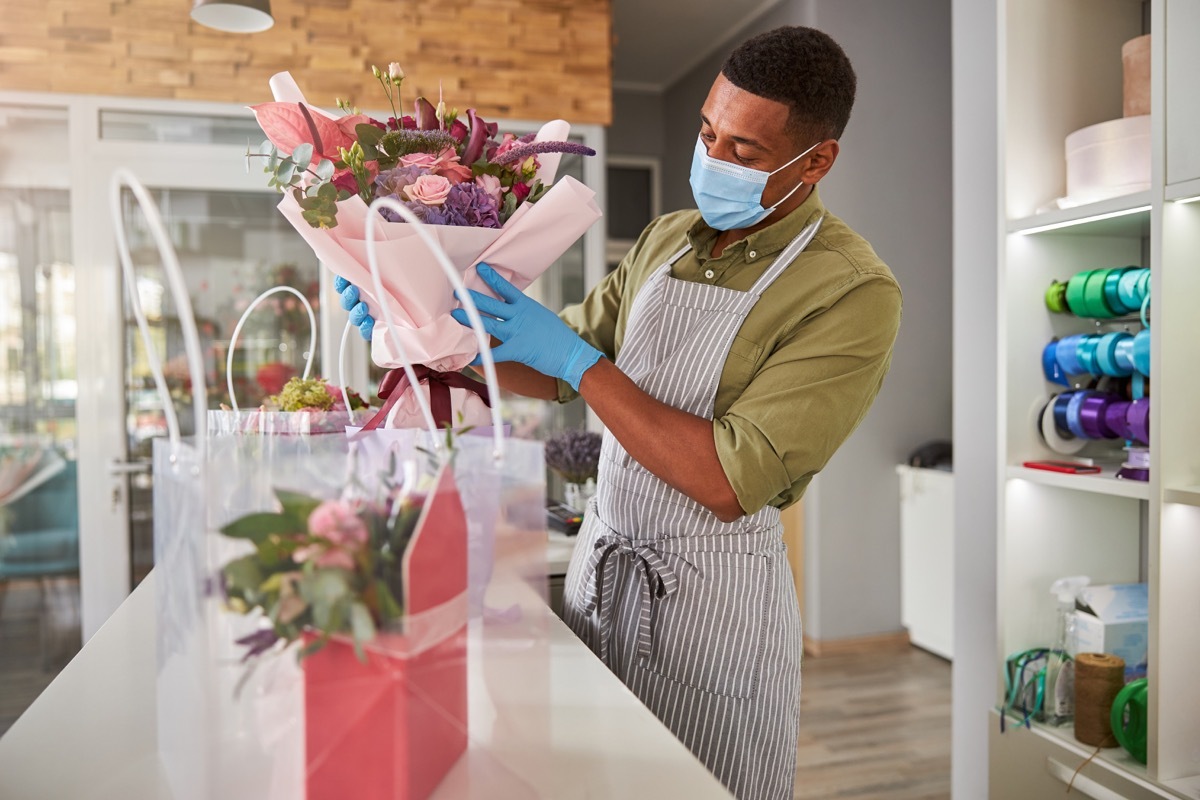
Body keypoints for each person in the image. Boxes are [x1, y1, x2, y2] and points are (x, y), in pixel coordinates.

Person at [344, 25, 901, 800]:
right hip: (603, 577)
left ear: (817, 161)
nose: (712, 159)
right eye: (708, 133)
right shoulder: (667, 239)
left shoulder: (851, 292)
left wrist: (577, 360)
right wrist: (429, 342)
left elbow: (726, 478)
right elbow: (555, 366)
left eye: (743, 152)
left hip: (712, 613)